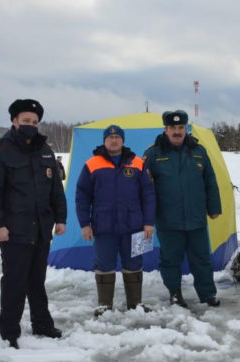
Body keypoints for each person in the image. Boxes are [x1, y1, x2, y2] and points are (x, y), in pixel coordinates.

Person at [0, 99, 67, 349]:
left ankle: (42, 323)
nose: (30, 125)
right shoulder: (0, 151)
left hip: (41, 228)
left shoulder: (45, 150)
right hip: (14, 230)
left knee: (37, 281)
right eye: (25, 121)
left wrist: (60, 219)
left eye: (34, 122)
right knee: (15, 281)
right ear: (14, 121)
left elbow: (55, 191)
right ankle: (9, 330)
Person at [143, 110, 221, 308]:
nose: (177, 132)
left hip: (196, 217)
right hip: (168, 218)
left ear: (185, 128)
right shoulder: (153, 154)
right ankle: (175, 293)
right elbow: (143, 188)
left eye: (180, 128)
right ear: (165, 129)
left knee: (202, 259)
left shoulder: (199, 151)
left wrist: (214, 207)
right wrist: (146, 218)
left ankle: (207, 294)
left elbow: (210, 181)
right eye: (172, 128)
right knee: (170, 260)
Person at [75, 125, 155, 316]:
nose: (114, 140)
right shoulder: (92, 164)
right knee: (104, 265)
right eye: (110, 137)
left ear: (123, 140)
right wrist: (84, 224)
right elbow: (82, 196)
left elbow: (149, 195)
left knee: (134, 263)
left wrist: (149, 222)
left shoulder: (137, 163)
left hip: (134, 226)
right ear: (104, 140)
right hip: (103, 227)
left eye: (117, 137)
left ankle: (135, 304)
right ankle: (104, 305)